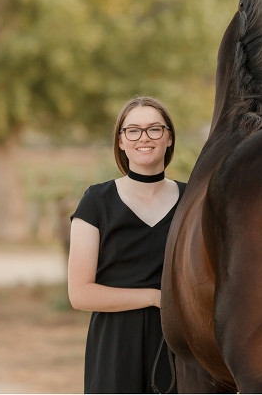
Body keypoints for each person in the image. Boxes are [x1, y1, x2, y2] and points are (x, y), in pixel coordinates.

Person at [68, 96, 182, 393]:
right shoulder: (96, 201)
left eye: (154, 129)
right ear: (120, 141)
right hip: (114, 347)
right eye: (133, 130)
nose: (144, 138)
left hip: (179, 345)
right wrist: (154, 297)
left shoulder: (192, 199)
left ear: (169, 137)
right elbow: (80, 294)